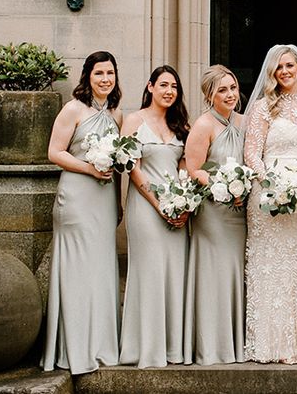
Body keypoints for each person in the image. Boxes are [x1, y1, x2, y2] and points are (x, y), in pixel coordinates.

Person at [243, 44, 297, 364]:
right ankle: (271, 344)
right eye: (279, 68)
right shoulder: (264, 108)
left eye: (290, 66)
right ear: (272, 73)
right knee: (272, 264)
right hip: (269, 194)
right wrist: (273, 184)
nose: (285, 72)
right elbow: (252, 153)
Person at [42, 51, 123, 375]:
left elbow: (118, 164)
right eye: (99, 73)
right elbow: (54, 152)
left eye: (110, 73)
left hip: (104, 200)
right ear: (87, 76)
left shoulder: (117, 114)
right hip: (76, 197)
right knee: (77, 271)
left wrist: (118, 202)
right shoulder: (73, 109)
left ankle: (101, 345)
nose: (105, 79)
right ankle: (74, 349)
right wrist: (89, 169)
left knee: (101, 269)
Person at [119, 65, 191, 368]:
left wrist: (183, 203)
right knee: (149, 273)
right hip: (145, 207)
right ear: (150, 87)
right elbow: (132, 169)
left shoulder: (180, 126)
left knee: (174, 273)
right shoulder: (133, 121)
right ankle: (145, 349)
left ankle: (173, 348)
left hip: (176, 206)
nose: (169, 91)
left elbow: (185, 166)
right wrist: (159, 204)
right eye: (163, 85)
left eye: (174, 86)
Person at [183, 65, 246, 366]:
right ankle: (213, 347)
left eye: (232, 87)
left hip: (239, 211)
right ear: (209, 95)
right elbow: (193, 169)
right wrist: (223, 186)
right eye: (222, 90)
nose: (230, 94)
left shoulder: (245, 122)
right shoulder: (203, 125)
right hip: (213, 212)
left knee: (236, 273)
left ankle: (237, 344)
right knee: (215, 275)